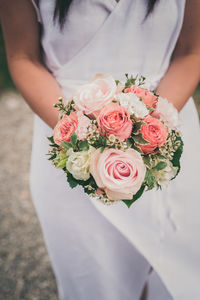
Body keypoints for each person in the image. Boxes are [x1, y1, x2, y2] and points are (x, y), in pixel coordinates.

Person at [1, 0, 200, 299]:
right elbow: (22, 56)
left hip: (166, 135)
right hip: (69, 145)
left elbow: (191, 51)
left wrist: (147, 131)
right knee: (96, 282)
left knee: (175, 279)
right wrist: (88, 139)